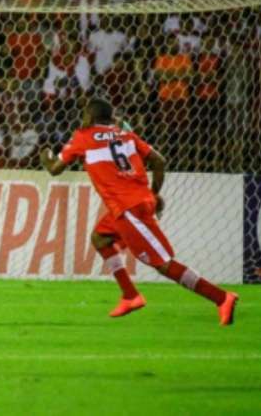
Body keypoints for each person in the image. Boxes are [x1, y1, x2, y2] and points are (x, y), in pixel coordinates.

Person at [39, 97, 238, 325]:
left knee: (162, 264)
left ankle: (221, 297)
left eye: (84, 115)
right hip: (135, 203)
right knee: (100, 237)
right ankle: (130, 295)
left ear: (90, 117)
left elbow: (55, 170)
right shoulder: (125, 134)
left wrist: (46, 157)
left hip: (128, 209)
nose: (81, 119)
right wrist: (154, 194)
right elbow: (159, 161)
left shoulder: (82, 137)